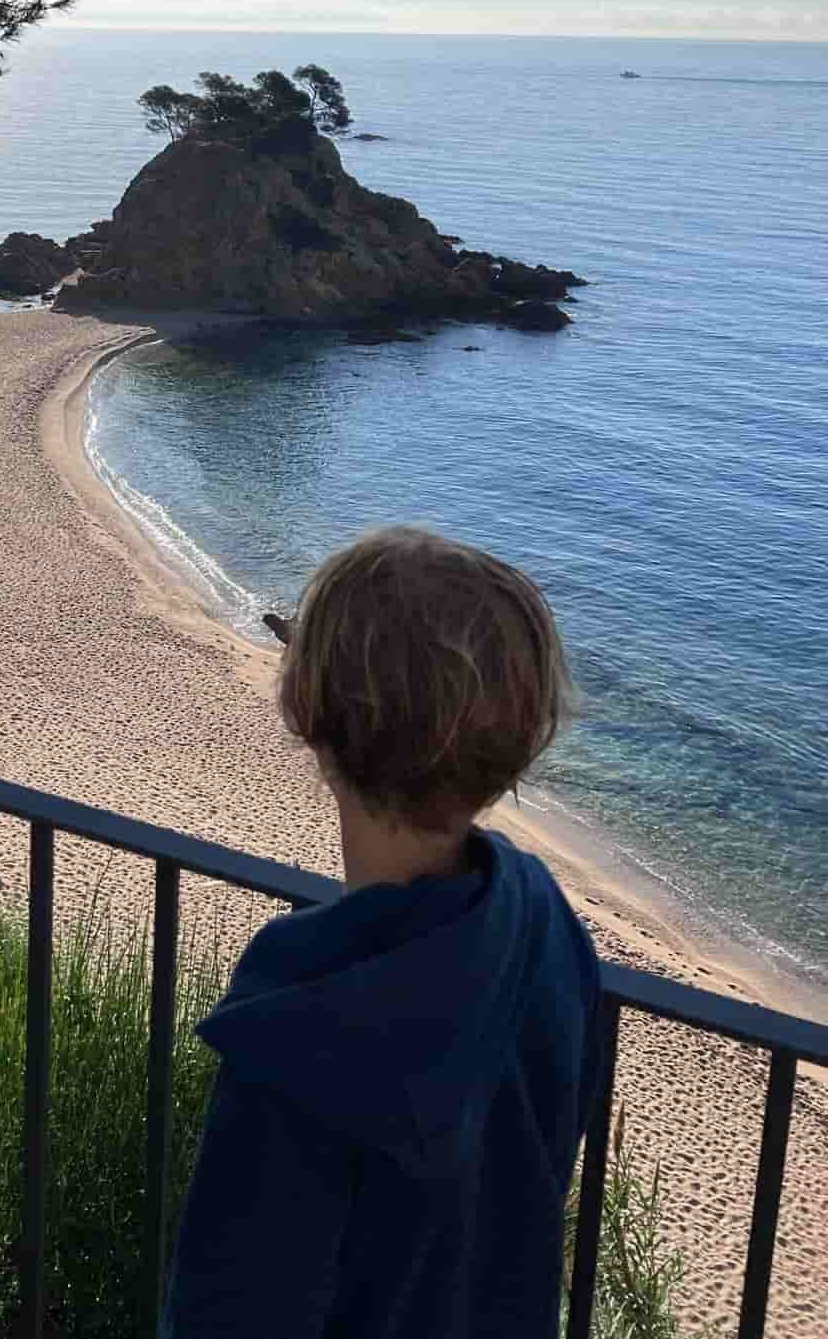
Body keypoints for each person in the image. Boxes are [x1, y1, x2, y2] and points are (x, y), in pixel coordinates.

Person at [163, 526, 602, 1339]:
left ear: (308, 719)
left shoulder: (294, 1014)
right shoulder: (543, 926)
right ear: (515, 742)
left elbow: (228, 1303)